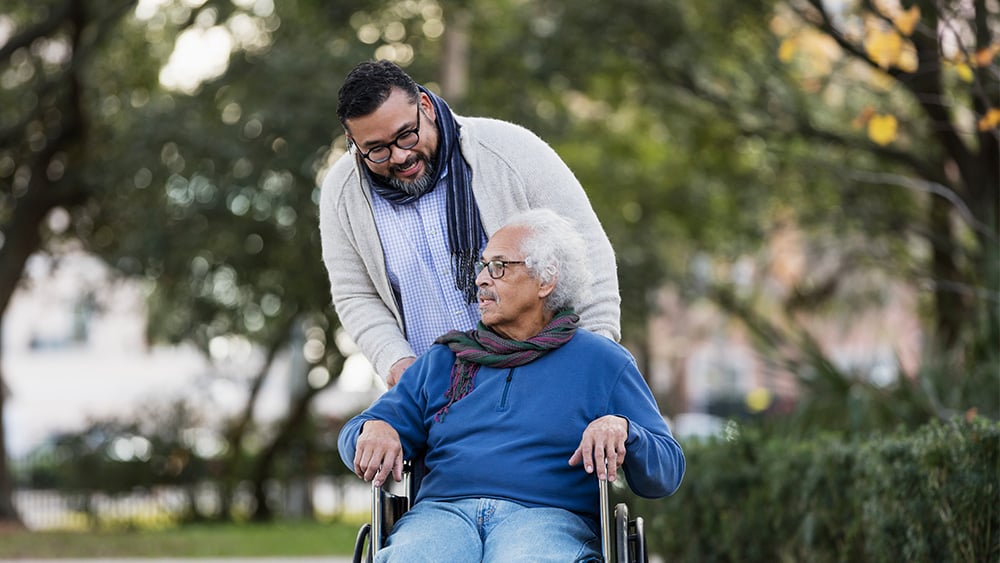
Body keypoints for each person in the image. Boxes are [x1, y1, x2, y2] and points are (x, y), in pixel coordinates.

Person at [338, 209, 684, 563]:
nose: (481, 280)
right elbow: (354, 435)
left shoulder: (602, 362)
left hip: (546, 518)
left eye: (499, 267)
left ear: (545, 280)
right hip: (442, 515)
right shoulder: (445, 359)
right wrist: (374, 428)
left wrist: (625, 430)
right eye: (483, 266)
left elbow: (667, 470)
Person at [319, 60, 620, 387]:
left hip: (543, 382)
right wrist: (395, 360)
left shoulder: (512, 150)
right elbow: (355, 294)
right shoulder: (342, 192)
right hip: (439, 401)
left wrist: (595, 358)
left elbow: (587, 252)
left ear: (425, 106)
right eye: (376, 150)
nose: (399, 156)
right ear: (352, 141)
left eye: (406, 135)